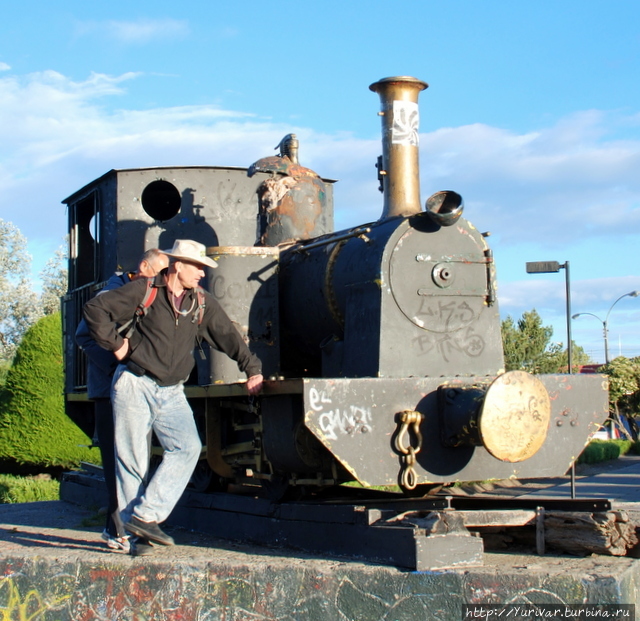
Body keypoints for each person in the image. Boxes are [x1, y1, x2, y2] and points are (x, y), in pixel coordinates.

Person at [83, 239, 263, 556]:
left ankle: (146, 516)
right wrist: (117, 347)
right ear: (177, 266)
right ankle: (134, 538)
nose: (202, 274)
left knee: (188, 447)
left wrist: (252, 368)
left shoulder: (201, 303)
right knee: (133, 463)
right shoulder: (145, 290)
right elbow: (95, 309)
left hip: (172, 391)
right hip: (134, 385)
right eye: (198, 267)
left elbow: (227, 335)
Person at [75, 248, 169, 553]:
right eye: (158, 274)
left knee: (135, 458)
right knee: (119, 459)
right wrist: (121, 364)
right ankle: (117, 529)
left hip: (140, 388)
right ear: (143, 267)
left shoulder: (149, 293)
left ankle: (122, 526)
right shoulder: (113, 292)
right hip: (110, 389)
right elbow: (84, 335)